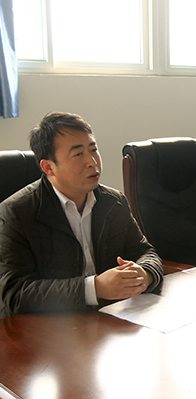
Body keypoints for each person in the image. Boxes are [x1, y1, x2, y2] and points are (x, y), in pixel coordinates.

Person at [0, 112, 163, 318]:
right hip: (50, 331)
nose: (92, 162)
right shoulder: (16, 213)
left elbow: (145, 252)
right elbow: (15, 294)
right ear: (48, 167)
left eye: (93, 150)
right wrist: (94, 288)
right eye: (78, 154)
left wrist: (145, 273)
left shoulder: (113, 201)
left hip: (110, 321)